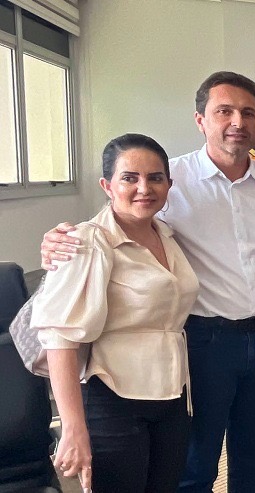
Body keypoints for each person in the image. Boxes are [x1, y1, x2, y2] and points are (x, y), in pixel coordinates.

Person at [40, 71, 255, 493]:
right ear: (200, 120)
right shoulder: (167, 181)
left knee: (254, 460)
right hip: (201, 342)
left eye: (248, 113)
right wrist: (61, 239)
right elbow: (117, 221)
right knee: (194, 465)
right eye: (224, 111)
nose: (237, 122)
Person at [33, 134, 197, 493]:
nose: (144, 188)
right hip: (113, 398)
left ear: (169, 184)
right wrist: (73, 428)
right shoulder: (84, 242)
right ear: (107, 186)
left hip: (171, 396)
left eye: (155, 178)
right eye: (129, 178)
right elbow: (60, 338)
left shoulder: (168, 236)